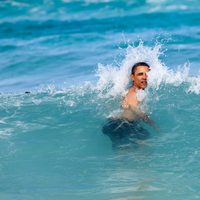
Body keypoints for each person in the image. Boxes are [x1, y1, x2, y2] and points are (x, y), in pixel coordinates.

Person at [102, 62, 158, 149]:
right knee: (144, 148)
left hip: (120, 124)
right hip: (123, 126)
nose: (144, 77)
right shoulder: (134, 93)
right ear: (132, 77)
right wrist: (153, 124)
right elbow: (136, 110)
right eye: (140, 74)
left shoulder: (132, 91)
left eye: (147, 74)